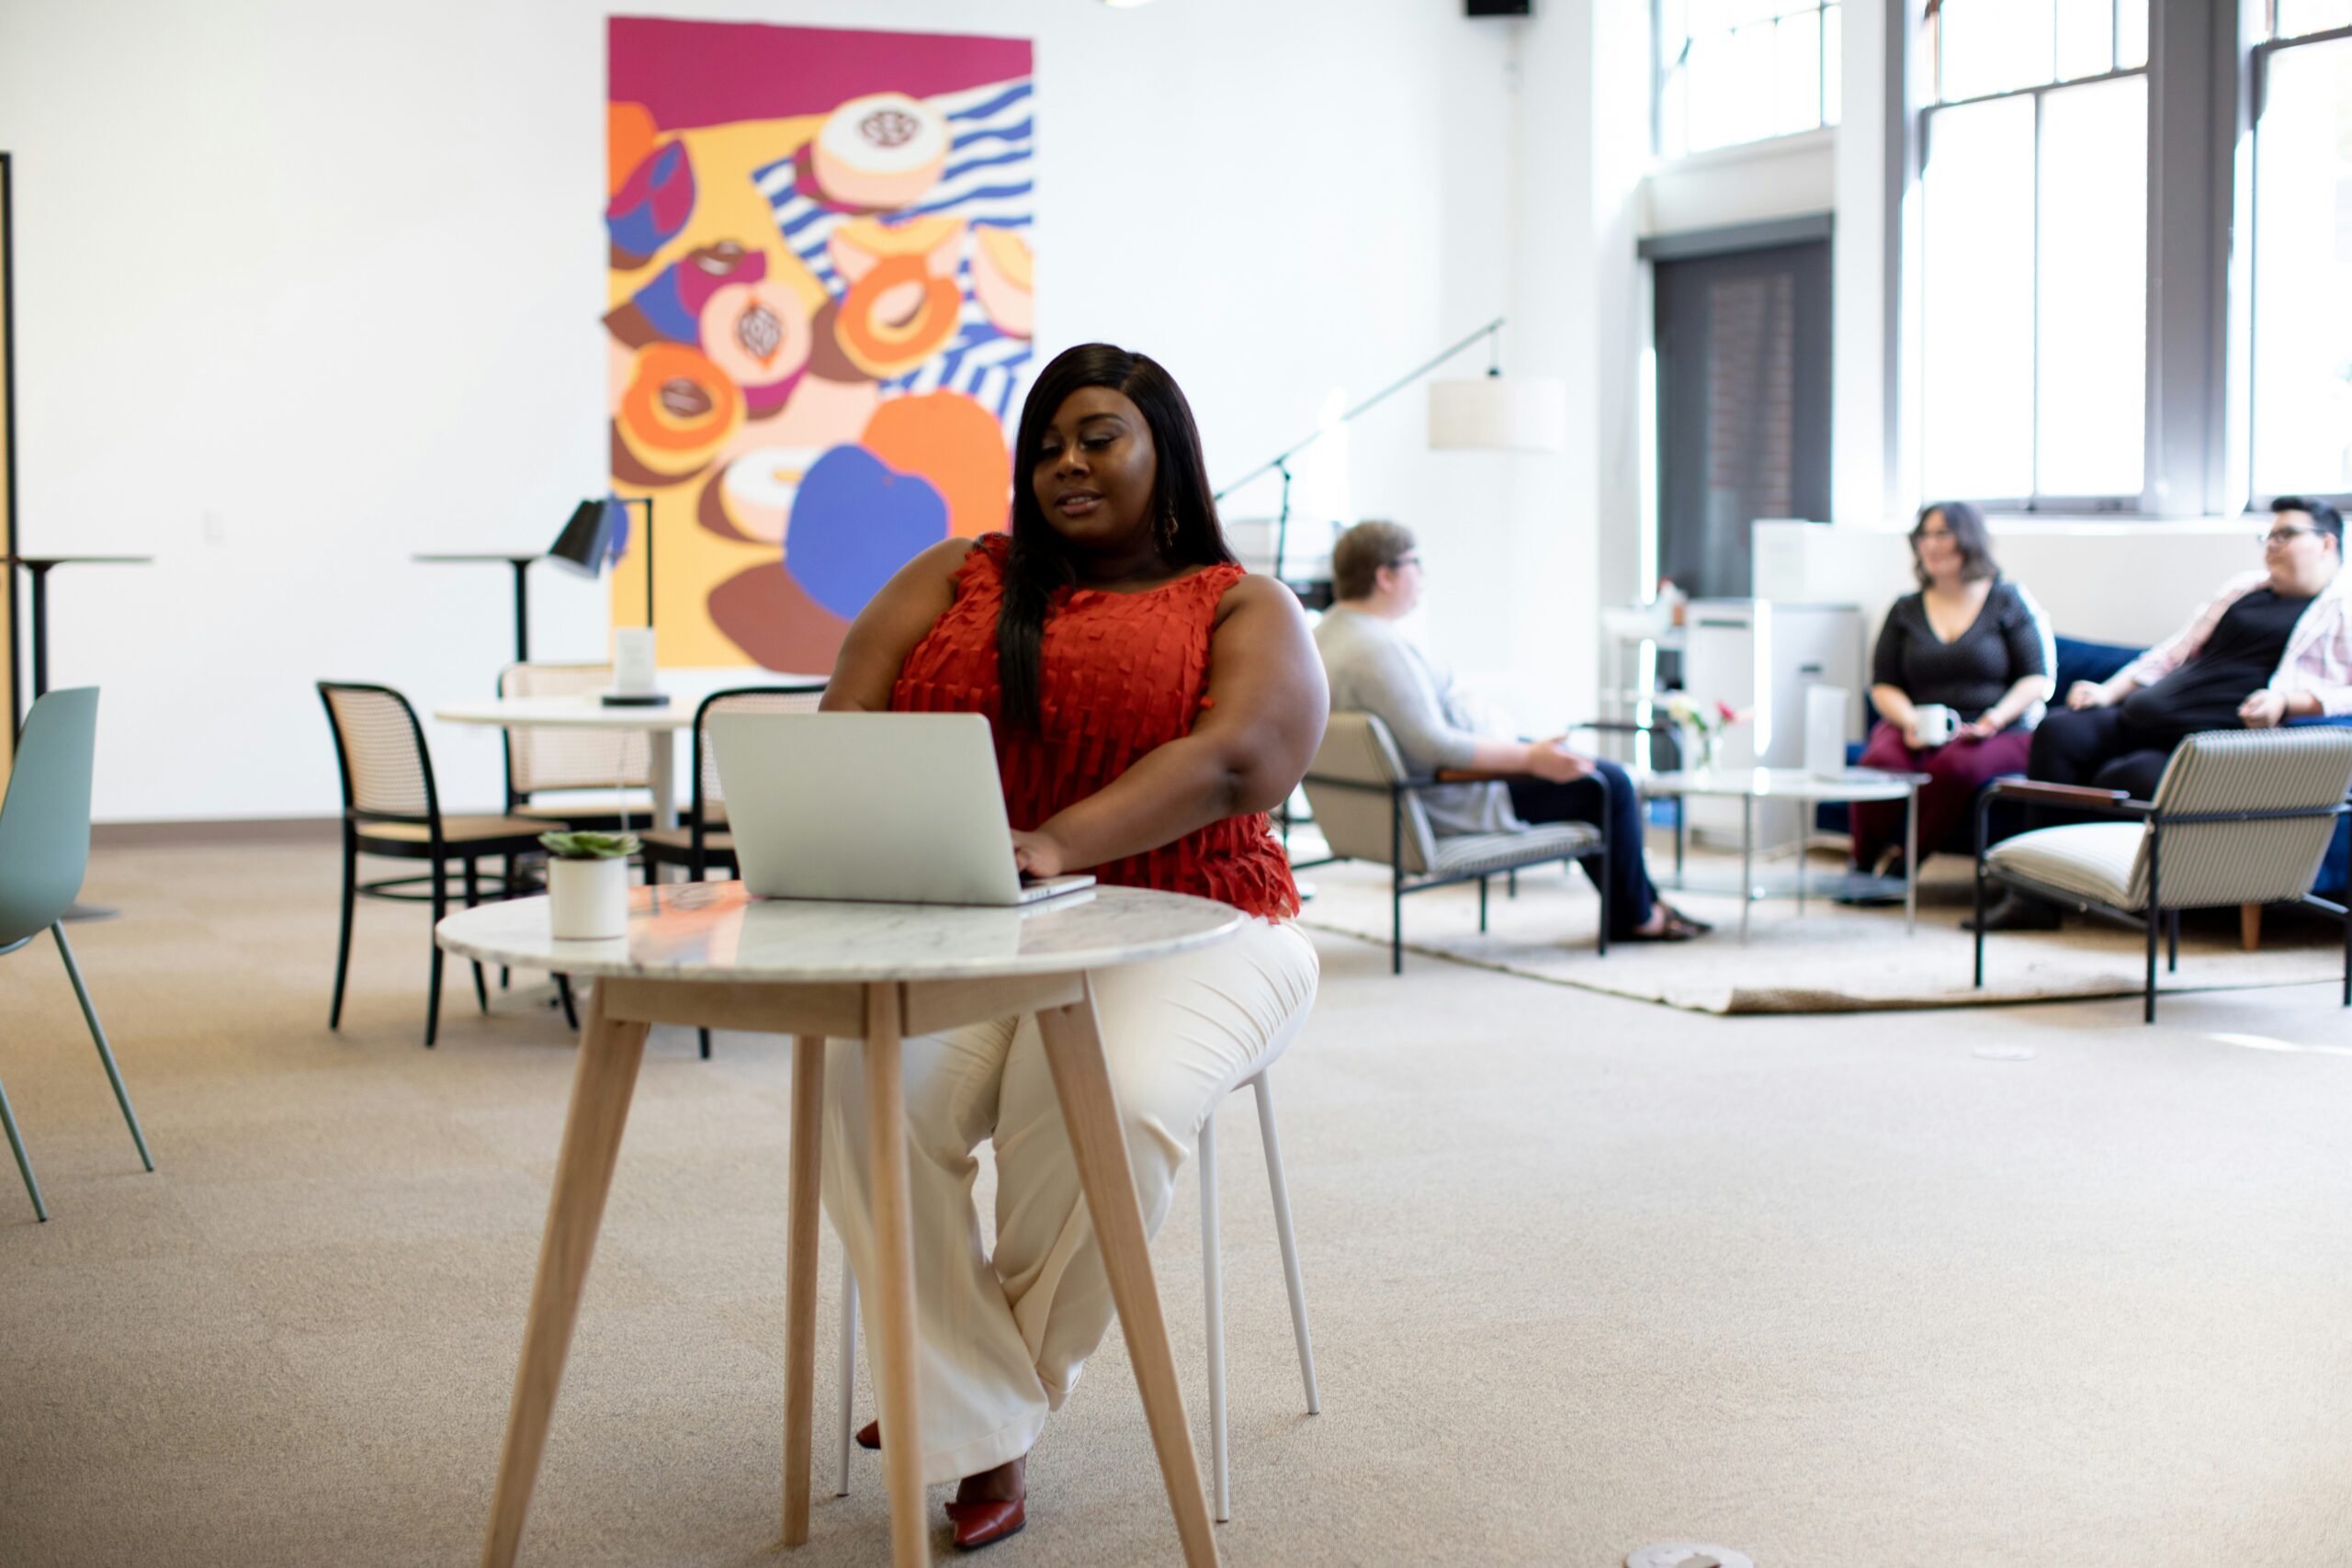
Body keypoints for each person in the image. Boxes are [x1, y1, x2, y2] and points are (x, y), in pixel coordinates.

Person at [816, 344, 1327, 1548]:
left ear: (1166, 447)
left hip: (1200, 918)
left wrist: (1052, 839)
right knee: (873, 1081)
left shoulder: (1241, 601)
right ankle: (973, 1393)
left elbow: (1240, 758)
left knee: (1108, 1090)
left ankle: (982, 1410)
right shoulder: (959, 572)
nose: (1066, 463)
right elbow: (851, 708)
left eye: (1098, 434)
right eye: (1044, 444)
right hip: (978, 915)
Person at [1314, 519, 1707, 942]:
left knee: (1583, 768)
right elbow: (1434, 746)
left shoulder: (1324, 636)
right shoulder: (1375, 651)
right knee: (1608, 783)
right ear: (1385, 575)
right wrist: (1531, 759)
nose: (1423, 576)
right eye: (1416, 563)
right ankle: (1639, 917)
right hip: (1455, 793)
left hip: (1434, 785)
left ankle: (1645, 905)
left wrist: (1529, 753)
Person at [1975, 494, 2351, 931]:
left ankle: (2115, 899)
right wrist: (2108, 691)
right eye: (2268, 535)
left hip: (2204, 744)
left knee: (2128, 775)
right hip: (2140, 715)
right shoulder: (2244, 589)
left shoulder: (2340, 610)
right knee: (2060, 731)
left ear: (2326, 543)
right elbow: (2172, 653)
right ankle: (2033, 896)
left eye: (2285, 535)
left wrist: (2291, 703)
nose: (2271, 544)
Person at [1848, 502, 2054, 880]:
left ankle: (1906, 864)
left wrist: (1994, 719)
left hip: (1996, 728)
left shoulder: (2008, 600)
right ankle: (1861, 864)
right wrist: (1911, 721)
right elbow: (1883, 684)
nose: (1931, 544)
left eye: (1942, 533)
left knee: (1953, 767)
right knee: (1879, 763)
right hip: (1920, 723)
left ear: (1968, 539)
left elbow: (2037, 678)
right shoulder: (1904, 610)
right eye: (1924, 535)